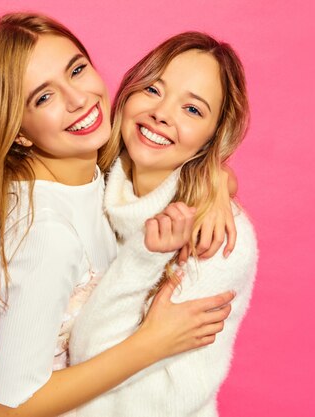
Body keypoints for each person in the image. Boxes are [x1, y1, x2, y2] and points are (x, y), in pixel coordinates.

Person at [0, 13, 236, 417]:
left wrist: (216, 182)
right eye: (43, 97)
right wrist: (153, 343)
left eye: (76, 70)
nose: (78, 99)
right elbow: (8, 409)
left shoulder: (91, 169)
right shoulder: (47, 232)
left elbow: (165, 164)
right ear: (18, 130)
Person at [69, 32, 258, 417]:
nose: (162, 113)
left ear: (212, 138)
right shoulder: (92, 183)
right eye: (154, 89)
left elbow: (165, 399)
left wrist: (144, 259)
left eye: (193, 110)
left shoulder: (216, 238)